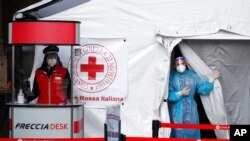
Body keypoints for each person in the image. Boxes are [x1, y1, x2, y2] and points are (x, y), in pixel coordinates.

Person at [167, 56, 220, 138]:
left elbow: (202, 89)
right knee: (178, 132)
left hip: (191, 110)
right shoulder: (171, 77)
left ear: (186, 63)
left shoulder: (193, 76)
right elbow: (169, 95)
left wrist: (211, 79)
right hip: (177, 111)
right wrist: (180, 93)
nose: (180, 66)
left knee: (192, 131)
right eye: (177, 64)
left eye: (182, 63)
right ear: (174, 65)